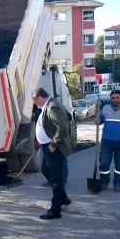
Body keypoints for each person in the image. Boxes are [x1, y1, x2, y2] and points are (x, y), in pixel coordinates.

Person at [32, 87, 73, 220]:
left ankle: (55, 210)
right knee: (45, 169)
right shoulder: (49, 105)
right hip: (47, 146)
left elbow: (62, 127)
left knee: (56, 178)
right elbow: (66, 116)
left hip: (54, 148)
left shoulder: (52, 106)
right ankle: (63, 197)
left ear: (40, 97)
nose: (34, 103)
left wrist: (53, 144)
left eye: (34, 100)